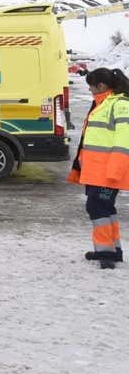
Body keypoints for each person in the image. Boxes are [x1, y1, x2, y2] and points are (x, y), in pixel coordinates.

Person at [68, 67, 129, 269]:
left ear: (101, 86)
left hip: (107, 172)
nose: (89, 90)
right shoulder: (103, 104)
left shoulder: (119, 105)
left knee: (97, 207)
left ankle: (106, 254)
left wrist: (115, 172)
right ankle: (113, 250)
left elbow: (124, 142)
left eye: (90, 86)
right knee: (105, 208)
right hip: (97, 171)